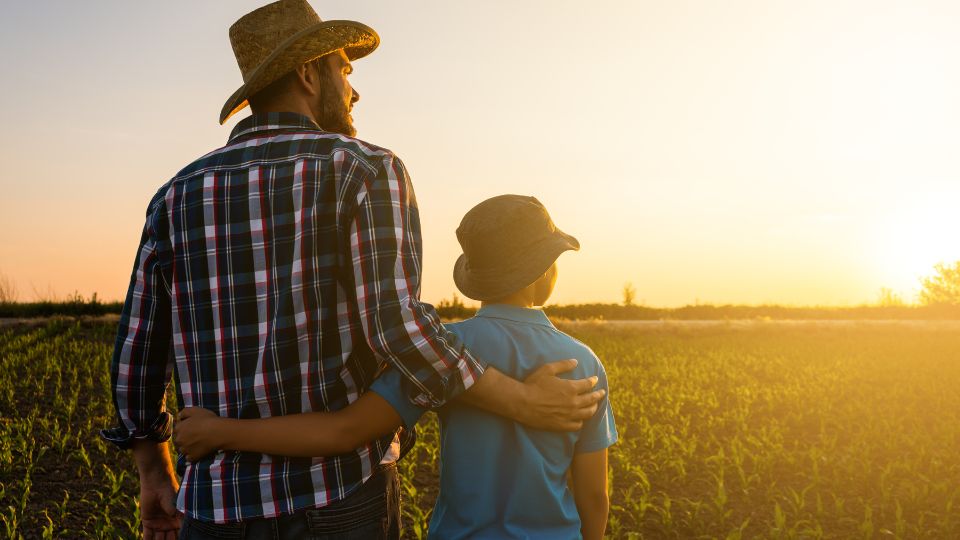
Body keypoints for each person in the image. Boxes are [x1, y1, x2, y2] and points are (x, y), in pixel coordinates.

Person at [100, 1, 605, 539]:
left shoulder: (175, 195)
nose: (353, 87)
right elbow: (397, 328)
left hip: (216, 506)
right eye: (345, 67)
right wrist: (522, 398)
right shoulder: (365, 169)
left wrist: (153, 469)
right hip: (336, 500)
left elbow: (137, 350)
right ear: (308, 71)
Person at [175, 194, 618, 539]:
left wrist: (222, 431)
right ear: (546, 271)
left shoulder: (444, 350)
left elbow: (343, 431)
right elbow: (594, 495)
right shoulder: (583, 363)